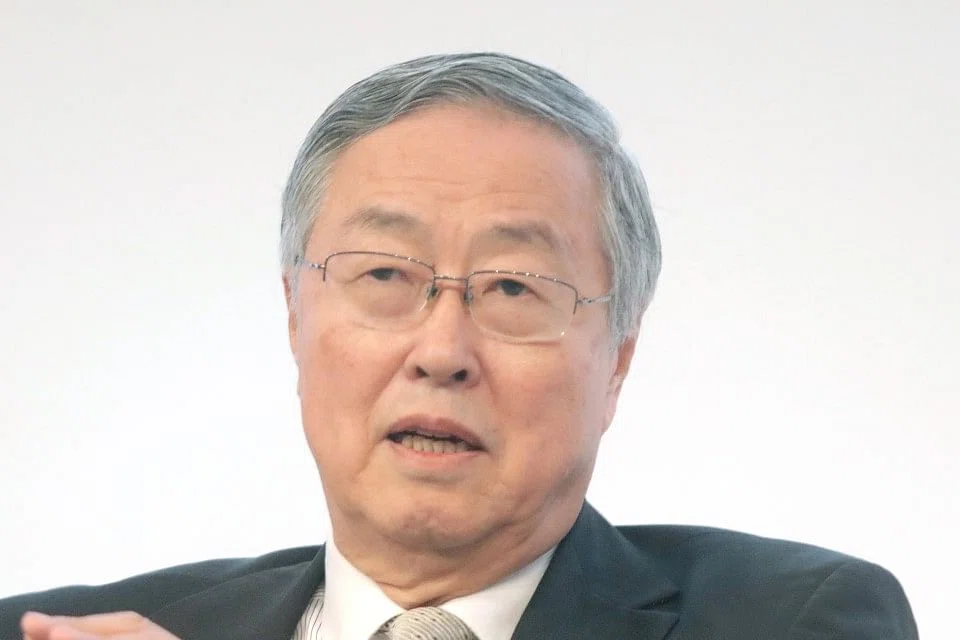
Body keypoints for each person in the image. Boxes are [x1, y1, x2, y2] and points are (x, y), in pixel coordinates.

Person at [1, 52, 917, 640]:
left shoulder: (795, 619)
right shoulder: (60, 633)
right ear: (293, 319)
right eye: (384, 275)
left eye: (513, 287)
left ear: (617, 361)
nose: (442, 350)